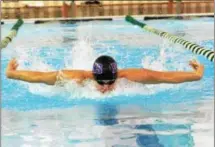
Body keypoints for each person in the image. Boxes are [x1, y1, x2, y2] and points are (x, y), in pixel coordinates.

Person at [6, 55, 204, 94]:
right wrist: (12, 73)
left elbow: (164, 78)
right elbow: (39, 76)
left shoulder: (132, 76)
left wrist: (197, 74)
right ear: (94, 77)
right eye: (102, 83)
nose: (106, 88)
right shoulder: (76, 78)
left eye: (111, 82)